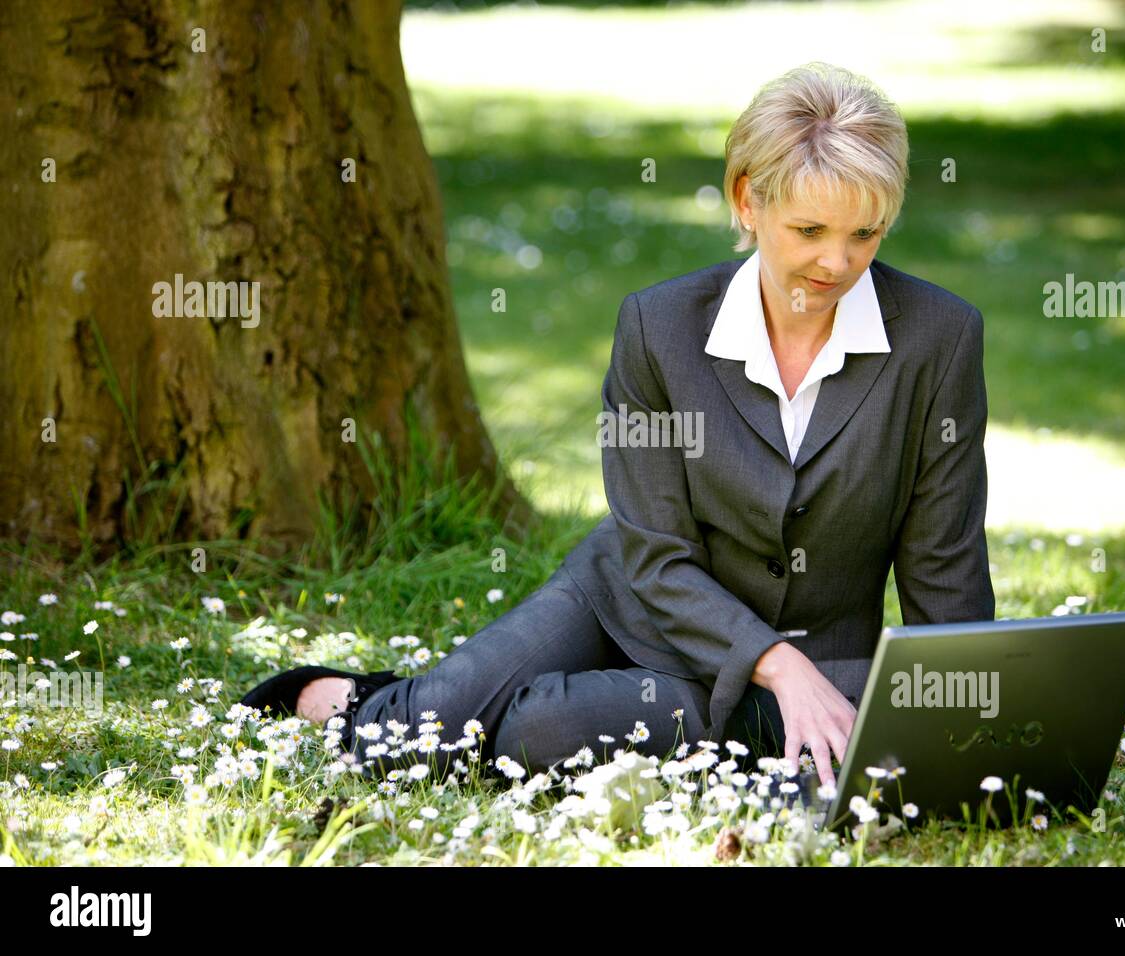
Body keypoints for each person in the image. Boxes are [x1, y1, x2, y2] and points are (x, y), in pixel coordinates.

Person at [240, 61, 995, 790]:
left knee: (535, 734)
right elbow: (656, 555)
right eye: (809, 229)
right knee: (415, 734)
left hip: (817, 666)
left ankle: (638, 717)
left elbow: (943, 566)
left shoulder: (940, 338)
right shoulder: (657, 327)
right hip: (635, 599)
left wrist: (963, 712)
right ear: (746, 200)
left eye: (865, 234)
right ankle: (355, 697)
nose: (837, 262)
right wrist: (776, 664)